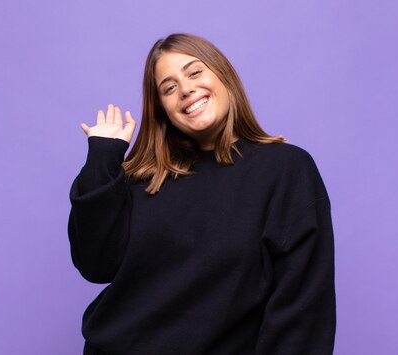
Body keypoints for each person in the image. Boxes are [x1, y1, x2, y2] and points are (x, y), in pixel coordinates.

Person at [68, 33, 336, 355]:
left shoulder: (285, 169)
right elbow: (96, 265)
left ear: (224, 75)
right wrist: (103, 159)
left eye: (195, 72)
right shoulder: (144, 179)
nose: (185, 89)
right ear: (162, 109)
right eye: (168, 88)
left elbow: (303, 308)